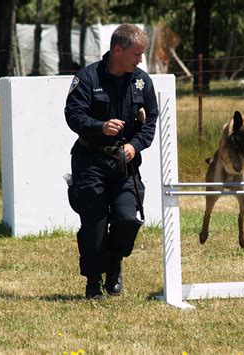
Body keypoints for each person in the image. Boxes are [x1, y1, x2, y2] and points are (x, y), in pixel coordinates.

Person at [64, 24, 158, 300]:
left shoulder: (141, 82)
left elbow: (150, 123)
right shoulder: (88, 78)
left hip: (124, 163)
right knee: (93, 223)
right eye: (136, 54)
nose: (140, 60)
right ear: (118, 50)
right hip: (90, 159)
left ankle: (115, 262)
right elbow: (73, 114)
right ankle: (93, 282)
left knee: (127, 219)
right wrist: (99, 126)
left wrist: (134, 145)